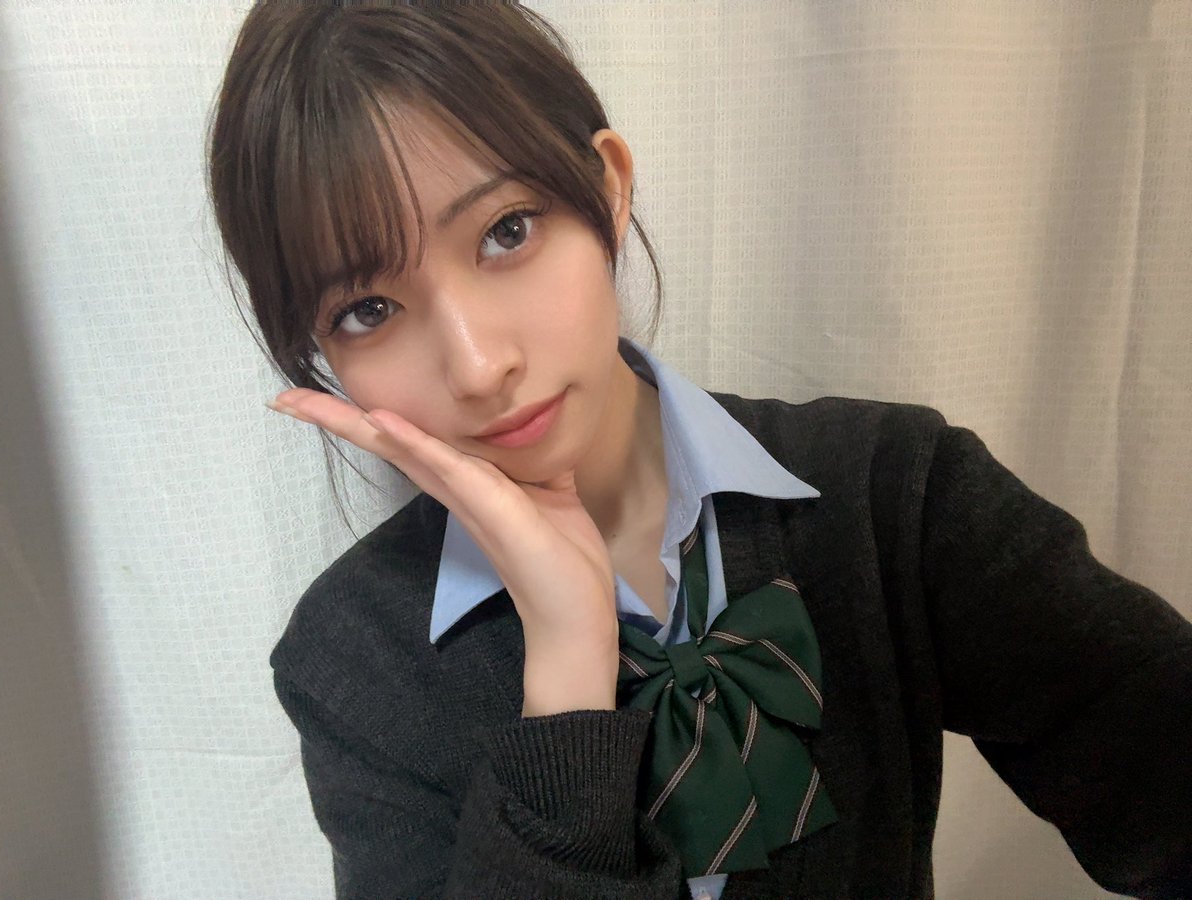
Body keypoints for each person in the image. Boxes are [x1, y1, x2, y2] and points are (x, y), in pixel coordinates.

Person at [208, 3, 1192, 898]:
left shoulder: (888, 495)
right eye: (368, 309)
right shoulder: (353, 660)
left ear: (607, 189)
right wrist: (566, 685)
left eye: (507, 231)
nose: (476, 365)